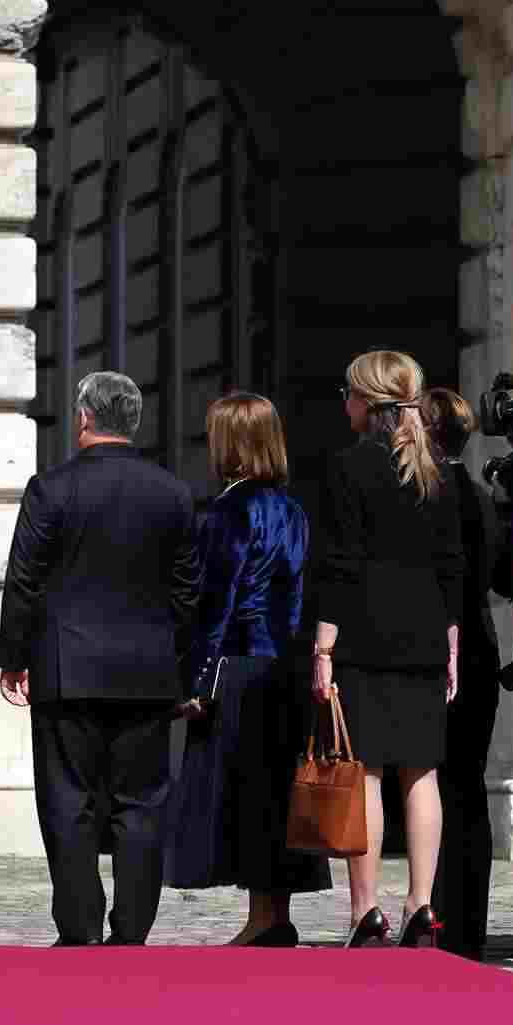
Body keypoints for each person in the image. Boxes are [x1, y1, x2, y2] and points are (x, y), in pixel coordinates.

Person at [0, 371, 200, 946]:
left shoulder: (51, 489)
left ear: (84, 417)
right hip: (147, 672)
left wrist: (13, 657)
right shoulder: (172, 493)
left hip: (68, 671)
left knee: (69, 801)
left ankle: (80, 925)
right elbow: (188, 593)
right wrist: (177, 664)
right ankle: (133, 928)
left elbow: (24, 580)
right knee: (142, 804)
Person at [309, 349, 462, 950]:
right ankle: (422, 906)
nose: (344, 404)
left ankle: (365, 911)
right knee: (421, 773)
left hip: (364, 635)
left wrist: (323, 648)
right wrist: (450, 643)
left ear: (367, 402)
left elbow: (339, 565)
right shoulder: (437, 469)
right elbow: (451, 566)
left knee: (366, 774)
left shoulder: (348, 466)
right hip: (425, 635)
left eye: (348, 394)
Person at [167, 393, 326, 943]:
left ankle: (263, 920)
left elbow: (215, 604)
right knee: (276, 793)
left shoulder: (229, 512)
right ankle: (274, 912)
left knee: (248, 796)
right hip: (284, 663)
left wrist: (193, 680)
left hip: (238, 665)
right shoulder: (293, 510)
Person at [424, 387, 508, 962]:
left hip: (445, 647)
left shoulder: (434, 498)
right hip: (480, 643)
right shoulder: (480, 496)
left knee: (439, 784)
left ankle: (442, 915)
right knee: (468, 785)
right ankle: (465, 922)